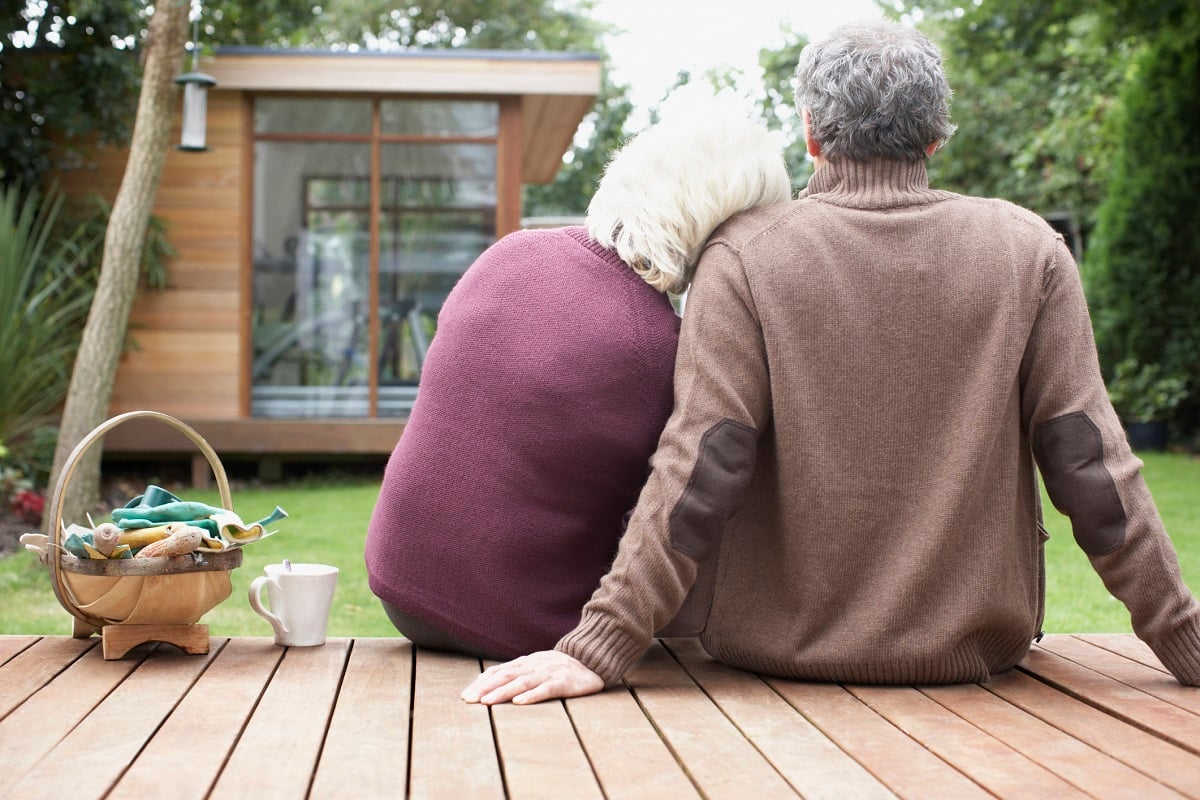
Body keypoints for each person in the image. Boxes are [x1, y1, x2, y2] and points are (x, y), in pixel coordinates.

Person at [462, 20, 1200, 704]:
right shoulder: (1026, 250)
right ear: (937, 136)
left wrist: (602, 647)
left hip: (771, 660)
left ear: (811, 134)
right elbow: (1091, 466)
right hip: (972, 661)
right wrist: (1185, 641)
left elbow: (699, 465)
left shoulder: (744, 255)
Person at [364, 93, 791, 660]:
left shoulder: (508, 254)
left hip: (401, 589)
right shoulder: (656, 343)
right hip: (523, 622)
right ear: (719, 222)